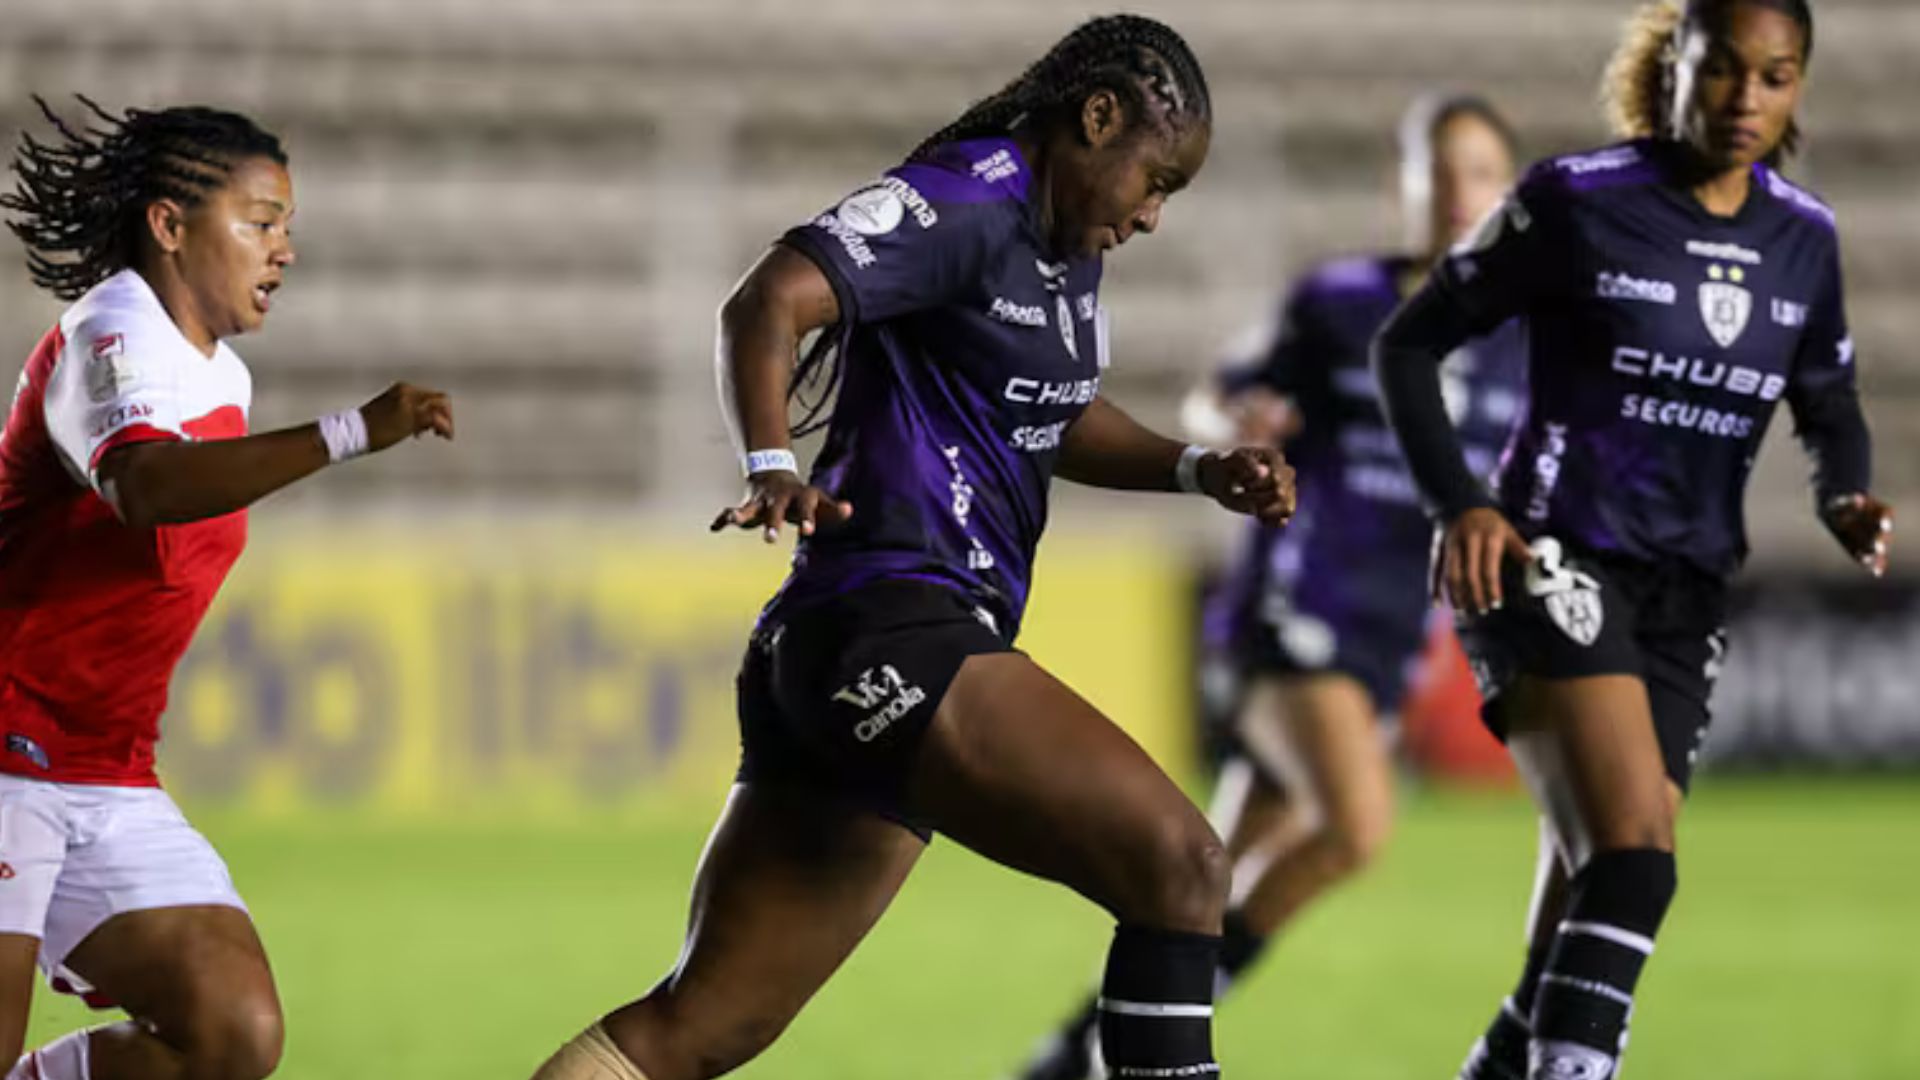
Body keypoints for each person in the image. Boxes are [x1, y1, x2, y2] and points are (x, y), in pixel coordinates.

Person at [529, 16, 1297, 1080]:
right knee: (1182, 864)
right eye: (1157, 179)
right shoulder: (966, 197)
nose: (1155, 215)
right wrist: (767, 464)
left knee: (694, 1032)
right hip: (887, 619)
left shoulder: (1061, 247)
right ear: (1099, 116)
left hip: (854, 653)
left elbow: (1053, 412)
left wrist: (1193, 467)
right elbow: (768, 300)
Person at [1371, 3, 1893, 1078]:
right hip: (1549, 556)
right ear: (1675, 71)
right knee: (1637, 860)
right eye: (1723, 71)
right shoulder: (1578, 201)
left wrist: (1846, 491)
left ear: (1798, 87)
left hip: (1686, 592)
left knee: (1569, 943)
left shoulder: (1805, 237)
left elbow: (1828, 397)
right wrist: (1460, 502)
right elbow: (1410, 345)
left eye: (1776, 75)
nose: (1746, 98)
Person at [1013, 93, 1528, 1080]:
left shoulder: (1512, 341)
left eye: (1479, 172)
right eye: (1440, 169)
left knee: (1205, 885)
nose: (1458, 192)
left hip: (1385, 637)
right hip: (1297, 608)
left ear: (1505, 194)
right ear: (1404, 184)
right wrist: (1233, 416)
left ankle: (1075, 1054)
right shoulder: (1337, 303)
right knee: (1355, 828)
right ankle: (1124, 1039)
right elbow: (1221, 389)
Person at [0, 97, 454, 1080]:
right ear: (170, 225)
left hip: (103, 766)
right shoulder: (109, 335)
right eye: (259, 221)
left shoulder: (221, 377)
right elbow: (145, 486)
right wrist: (350, 432)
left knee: (229, 1033)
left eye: (286, 225)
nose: (282, 249)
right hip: (5, 749)